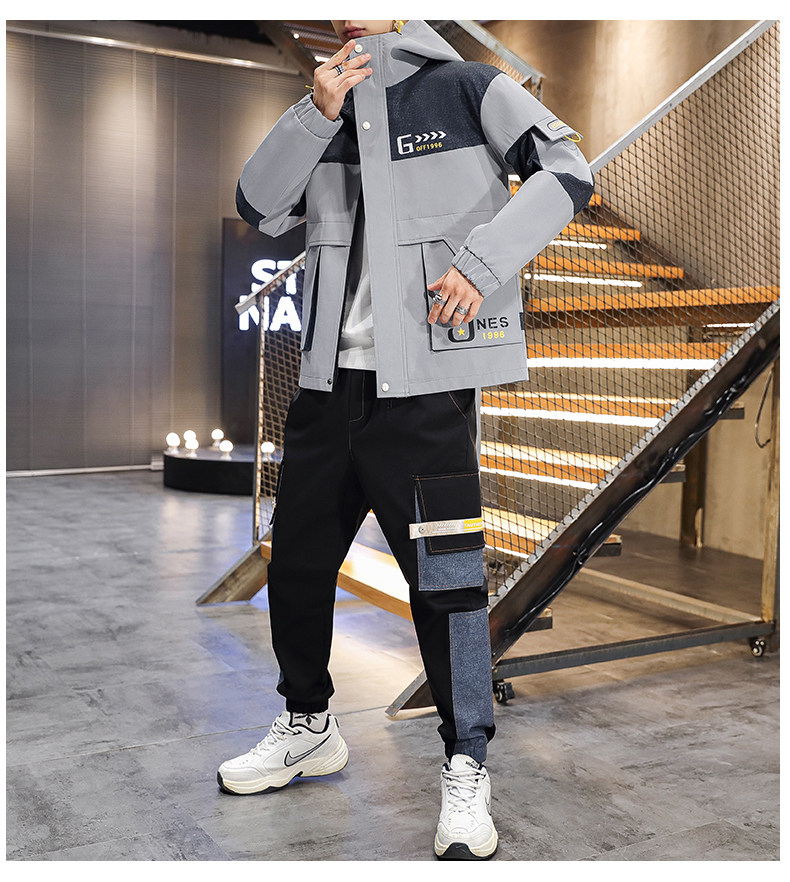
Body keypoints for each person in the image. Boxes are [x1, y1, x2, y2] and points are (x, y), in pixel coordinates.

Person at [218, 19, 594, 860]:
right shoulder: (324, 104)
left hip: (423, 398)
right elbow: (257, 206)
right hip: (325, 392)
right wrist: (313, 114)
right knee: (298, 566)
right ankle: (308, 725)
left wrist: (483, 263)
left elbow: (568, 168)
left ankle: (467, 761)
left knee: (448, 588)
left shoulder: (467, 87)